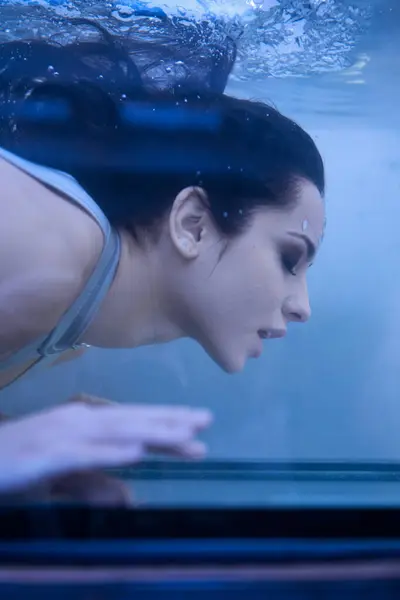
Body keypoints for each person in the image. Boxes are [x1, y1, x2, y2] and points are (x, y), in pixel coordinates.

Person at [0, 20, 325, 503]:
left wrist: (28, 449)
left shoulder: (72, 298)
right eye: (289, 258)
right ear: (192, 223)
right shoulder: (50, 251)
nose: (303, 307)